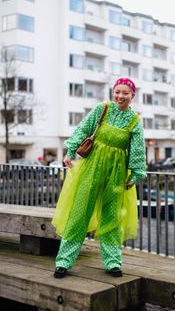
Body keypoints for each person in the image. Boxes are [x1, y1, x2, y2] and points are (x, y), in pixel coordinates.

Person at [52, 77, 146, 278]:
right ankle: (63, 262)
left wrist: (136, 173)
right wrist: (70, 152)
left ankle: (113, 262)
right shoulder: (102, 109)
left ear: (132, 96)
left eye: (125, 93)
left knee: (111, 217)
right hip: (91, 168)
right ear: (113, 92)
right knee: (79, 213)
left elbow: (137, 149)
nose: (120, 96)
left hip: (117, 173)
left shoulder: (135, 121)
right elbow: (83, 128)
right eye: (117, 91)